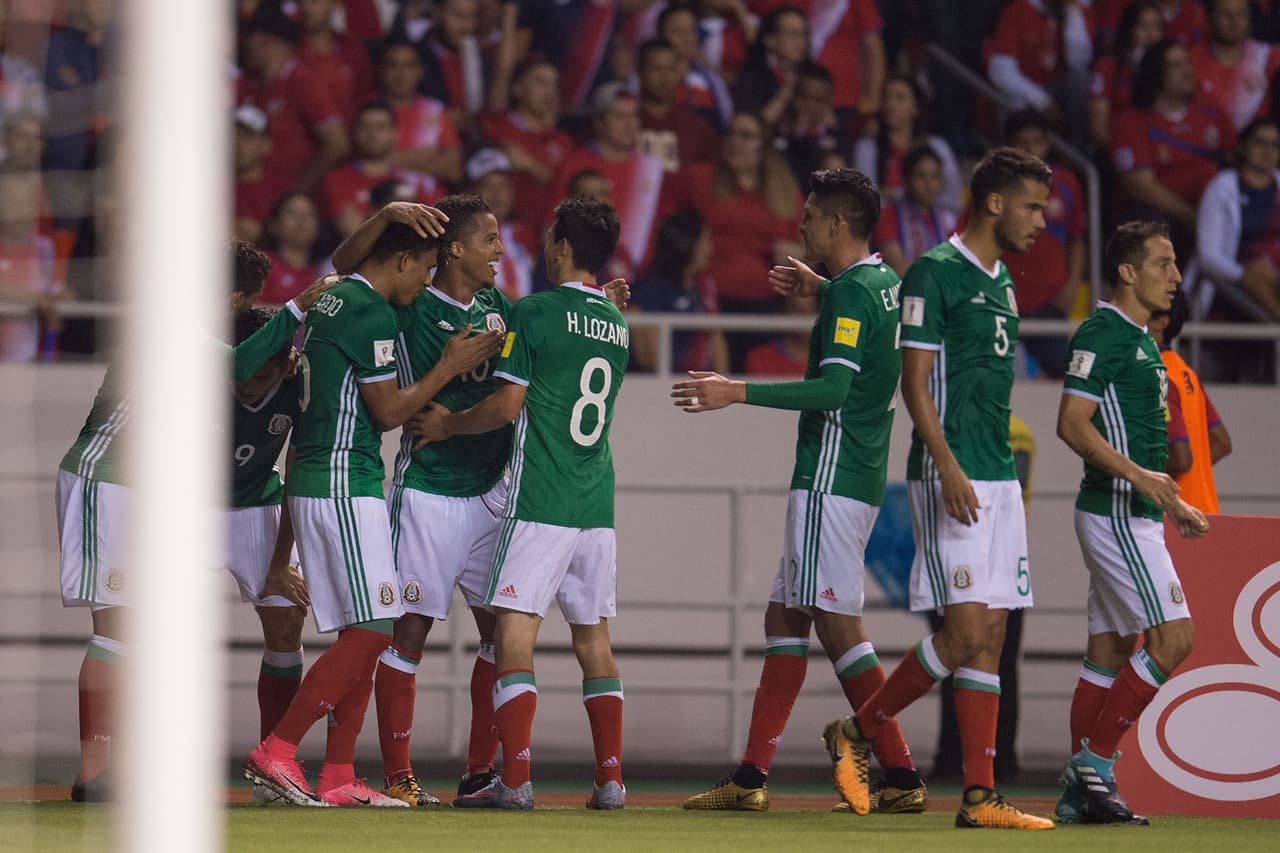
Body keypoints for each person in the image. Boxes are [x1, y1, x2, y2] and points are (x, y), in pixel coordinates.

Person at [673, 168, 926, 814]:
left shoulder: (851, 295)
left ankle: (898, 772)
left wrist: (735, 390)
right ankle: (752, 774)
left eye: (811, 214)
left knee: (838, 624)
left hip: (829, 480)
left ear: (837, 224)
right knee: (785, 614)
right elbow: (865, 331)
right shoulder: (881, 284)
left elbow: (834, 390)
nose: (802, 222)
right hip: (859, 476)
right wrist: (822, 289)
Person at [57, 241, 343, 801]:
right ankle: (97, 769)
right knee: (120, 630)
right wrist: (300, 304)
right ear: (234, 296)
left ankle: (272, 765)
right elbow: (236, 365)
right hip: (109, 478)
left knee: (143, 630)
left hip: (161, 492)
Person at [821, 147, 1055, 831]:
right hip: (949, 472)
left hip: (1000, 477)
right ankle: (858, 731)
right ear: (993, 202)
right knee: (965, 630)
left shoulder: (1004, 281)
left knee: (992, 634)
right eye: (1032, 207)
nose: (1040, 220)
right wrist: (948, 464)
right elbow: (913, 381)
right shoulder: (935, 272)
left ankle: (980, 796)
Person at [243, 209, 503, 808]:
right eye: (425, 268)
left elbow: (343, 260)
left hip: (324, 477)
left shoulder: (336, 297)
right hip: (340, 480)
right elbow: (387, 414)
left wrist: (384, 216)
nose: (426, 282)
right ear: (402, 260)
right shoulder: (371, 313)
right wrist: (447, 367)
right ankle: (278, 751)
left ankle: (337, 775)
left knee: (365, 628)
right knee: (372, 631)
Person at [418, 194, 630, 811]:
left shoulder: (534, 312)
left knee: (513, 633)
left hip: (540, 501)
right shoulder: (617, 323)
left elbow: (506, 407)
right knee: (594, 640)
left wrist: (450, 425)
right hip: (597, 504)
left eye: (548, 239)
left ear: (563, 247)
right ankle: (610, 781)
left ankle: (514, 780)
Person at [344, 195, 512, 807]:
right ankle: (399, 775)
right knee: (408, 631)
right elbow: (346, 268)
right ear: (456, 250)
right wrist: (387, 218)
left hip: (493, 492)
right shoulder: (411, 306)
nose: (500, 249)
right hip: (430, 493)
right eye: (490, 239)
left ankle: (477, 773)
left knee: (503, 634)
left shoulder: (499, 306)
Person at [1055, 219, 1209, 824]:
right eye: (1163, 264)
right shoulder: (1106, 331)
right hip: (1119, 513)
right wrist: (1146, 483)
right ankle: (1095, 762)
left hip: (1133, 510)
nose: (1175, 276)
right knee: (1175, 640)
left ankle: (1077, 797)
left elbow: (1150, 443)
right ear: (1126, 270)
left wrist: (1169, 497)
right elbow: (1071, 422)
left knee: (1110, 649)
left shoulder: (1143, 340)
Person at [226, 306, 308, 789]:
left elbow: (297, 475)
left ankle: (271, 768)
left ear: (283, 363)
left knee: (286, 620)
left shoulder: (299, 384)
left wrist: (280, 563)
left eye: (260, 373)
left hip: (259, 505)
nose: (246, 383)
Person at [1110, 39, 1234, 254]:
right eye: (1176, 65)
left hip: (1213, 209)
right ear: (1155, 72)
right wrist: (1190, 215)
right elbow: (1141, 186)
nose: (1187, 71)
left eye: (1187, 63)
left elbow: (1237, 159)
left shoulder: (1211, 113)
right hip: (1165, 215)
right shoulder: (1132, 122)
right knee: (1153, 227)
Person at [1003, 109, 1087, 378]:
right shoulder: (993, 186)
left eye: (1037, 141)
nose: (1030, 149)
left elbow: (1076, 238)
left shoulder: (1066, 183)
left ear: (1047, 143)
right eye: (1022, 141)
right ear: (1009, 146)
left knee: (1065, 385)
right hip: (1003, 304)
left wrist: (1073, 284)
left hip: (1050, 305)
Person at [237, 5, 349, 194]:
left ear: (267, 42)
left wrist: (299, 191)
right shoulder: (252, 84)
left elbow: (337, 143)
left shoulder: (303, 81)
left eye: (250, 40)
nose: (245, 46)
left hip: (291, 199)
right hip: (257, 195)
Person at [1149, 288, 1232, 513]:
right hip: (1205, 513)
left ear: (1160, 323)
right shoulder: (1186, 374)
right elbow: (1222, 442)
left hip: (1177, 519)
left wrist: (1131, 468)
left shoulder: (1157, 374)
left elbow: (1180, 459)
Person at [1196, 116, 1280, 321]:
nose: (1267, 150)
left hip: (1275, 275)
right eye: (1260, 142)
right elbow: (1208, 254)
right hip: (1234, 282)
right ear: (1243, 147)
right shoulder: (1221, 187)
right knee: (1258, 271)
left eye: (1274, 144)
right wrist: (1243, 275)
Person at [320, 101, 443, 238]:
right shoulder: (336, 180)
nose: (372, 134)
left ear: (395, 133)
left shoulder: (416, 181)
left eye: (381, 127)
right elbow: (350, 232)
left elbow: (431, 229)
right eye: (365, 127)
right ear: (354, 132)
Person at [629, 208, 728, 375]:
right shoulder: (647, 290)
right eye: (705, 242)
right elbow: (650, 359)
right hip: (660, 388)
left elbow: (716, 342)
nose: (710, 249)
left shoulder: (705, 288)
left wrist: (724, 386)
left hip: (702, 387)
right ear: (686, 243)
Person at [853, 75, 962, 216]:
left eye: (900, 98)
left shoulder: (937, 147)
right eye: (886, 97)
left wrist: (897, 195)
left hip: (933, 225)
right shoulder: (867, 148)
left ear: (916, 108)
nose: (890, 104)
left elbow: (952, 199)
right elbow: (865, 203)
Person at [375, 39, 463, 185]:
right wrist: (427, 153)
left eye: (409, 66)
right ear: (381, 70)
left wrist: (386, 158)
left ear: (420, 71)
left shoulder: (435, 110)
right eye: (393, 65)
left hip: (427, 202)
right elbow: (362, 162)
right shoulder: (368, 109)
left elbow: (453, 169)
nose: (401, 74)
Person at [1189, 0, 1280, 132]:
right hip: (1206, 143)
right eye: (1226, 14)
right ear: (1209, 18)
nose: (1234, 22)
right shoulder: (1189, 60)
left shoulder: (1269, 57)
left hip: (1260, 145)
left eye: (1240, 15)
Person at [634, 38, 721, 175]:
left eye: (671, 69)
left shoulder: (698, 128)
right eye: (656, 70)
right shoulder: (622, 123)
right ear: (640, 73)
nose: (665, 78)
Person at [1089, 1, 1166, 149]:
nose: (1151, 35)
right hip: (1121, 148)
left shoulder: (1172, 68)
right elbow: (1099, 131)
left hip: (1164, 149)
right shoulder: (1108, 66)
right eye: (1143, 27)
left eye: (1157, 27)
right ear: (1129, 30)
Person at [872, 145, 957, 278]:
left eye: (934, 176)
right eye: (920, 175)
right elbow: (899, 269)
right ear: (907, 179)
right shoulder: (888, 217)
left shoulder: (947, 220)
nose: (929, 184)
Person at [259, 192, 332, 307]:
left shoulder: (326, 270)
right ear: (274, 225)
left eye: (309, 214)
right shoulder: (260, 266)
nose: (301, 220)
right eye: (292, 213)